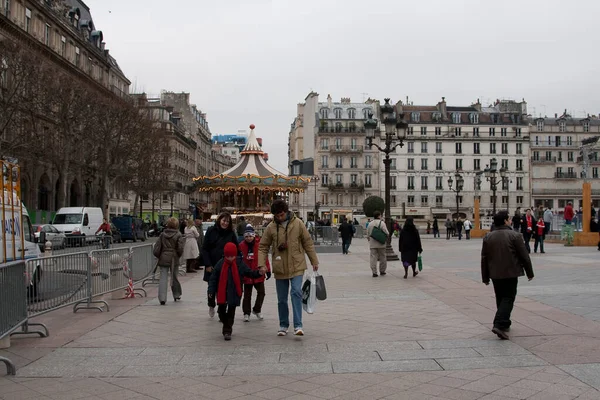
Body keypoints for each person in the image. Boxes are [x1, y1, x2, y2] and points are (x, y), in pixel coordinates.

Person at [258, 200, 319, 337]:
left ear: (286, 211)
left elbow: (307, 242)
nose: (280, 217)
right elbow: (263, 246)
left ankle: (298, 325)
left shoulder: (298, 224)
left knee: (296, 292)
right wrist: (262, 264)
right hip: (280, 266)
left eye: (282, 214)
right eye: (277, 215)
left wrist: (314, 260)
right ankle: (283, 325)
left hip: (297, 264)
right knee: (281, 299)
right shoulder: (271, 227)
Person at [481, 211, 534, 340]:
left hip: (495, 273)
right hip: (511, 272)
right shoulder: (515, 236)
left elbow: (484, 258)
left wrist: (485, 277)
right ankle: (498, 323)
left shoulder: (488, 237)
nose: (510, 220)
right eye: (509, 219)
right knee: (508, 298)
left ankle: (504, 323)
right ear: (505, 221)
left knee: (500, 297)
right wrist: (530, 273)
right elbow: (524, 256)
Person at [208, 242, 266, 340]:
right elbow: (213, 278)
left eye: (232, 256)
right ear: (225, 255)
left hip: (234, 292)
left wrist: (259, 273)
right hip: (222, 292)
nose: (230, 258)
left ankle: (227, 330)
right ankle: (225, 322)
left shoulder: (239, 263)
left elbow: (249, 272)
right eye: (228, 256)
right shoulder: (220, 263)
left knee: (231, 312)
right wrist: (211, 290)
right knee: (221, 311)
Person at [202, 212, 238, 318]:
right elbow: (205, 248)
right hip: (212, 264)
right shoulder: (211, 231)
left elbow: (236, 248)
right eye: (223, 220)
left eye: (227, 221)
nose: (225, 223)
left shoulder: (231, 233)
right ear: (219, 220)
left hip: (225, 264)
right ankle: (211, 304)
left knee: (224, 288)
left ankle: (221, 309)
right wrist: (207, 264)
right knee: (212, 287)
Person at [240, 225, 271, 322]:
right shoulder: (241, 246)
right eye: (246, 236)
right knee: (247, 295)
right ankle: (246, 313)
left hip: (258, 272)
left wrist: (268, 270)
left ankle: (257, 309)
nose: (249, 238)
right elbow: (239, 260)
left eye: (250, 236)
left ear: (254, 236)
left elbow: (264, 258)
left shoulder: (259, 244)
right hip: (247, 274)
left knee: (261, 293)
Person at [153, 217, 185, 305]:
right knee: (174, 276)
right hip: (173, 258)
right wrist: (178, 255)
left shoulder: (162, 234)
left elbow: (157, 247)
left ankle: (162, 298)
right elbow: (180, 248)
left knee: (163, 278)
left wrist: (159, 255)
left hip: (163, 256)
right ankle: (176, 294)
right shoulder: (178, 235)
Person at [366, 211, 389, 277]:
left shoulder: (370, 224)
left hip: (373, 244)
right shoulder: (382, 223)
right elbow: (387, 233)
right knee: (383, 257)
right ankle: (382, 271)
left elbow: (367, 235)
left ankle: (374, 272)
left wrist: (370, 240)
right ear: (379, 216)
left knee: (373, 258)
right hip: (381, 244)